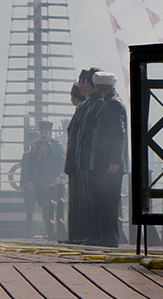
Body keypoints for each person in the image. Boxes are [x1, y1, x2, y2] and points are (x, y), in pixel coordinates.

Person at [82, 71, 126, 247]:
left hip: (109, 164)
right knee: (100, 200)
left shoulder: (113, 105)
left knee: (108, 202)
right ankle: (99, 235)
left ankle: (109, 237)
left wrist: (115, 161)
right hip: (102, 162)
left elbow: (119, 135)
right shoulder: (107, 103)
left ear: (99, 87)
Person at [64, 69, 99, 243]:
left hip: (85, 162)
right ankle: (77, 235)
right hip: (78, 162)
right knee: (77, 202)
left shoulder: (93, 106)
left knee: (85, 202)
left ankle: (83, 235)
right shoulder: (85, 108)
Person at [30, 121, 65, 239]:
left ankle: (60, 231)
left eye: (45, 132)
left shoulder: (56, 145)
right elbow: (32, 163)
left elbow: (62, 162)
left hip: (55, 181)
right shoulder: (37, 146)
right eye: (41, 132)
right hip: (42, 182)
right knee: (46, 208)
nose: (43, 134)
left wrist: (59, 176)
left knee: (58, 208)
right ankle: (49, 231)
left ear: (50, 132)